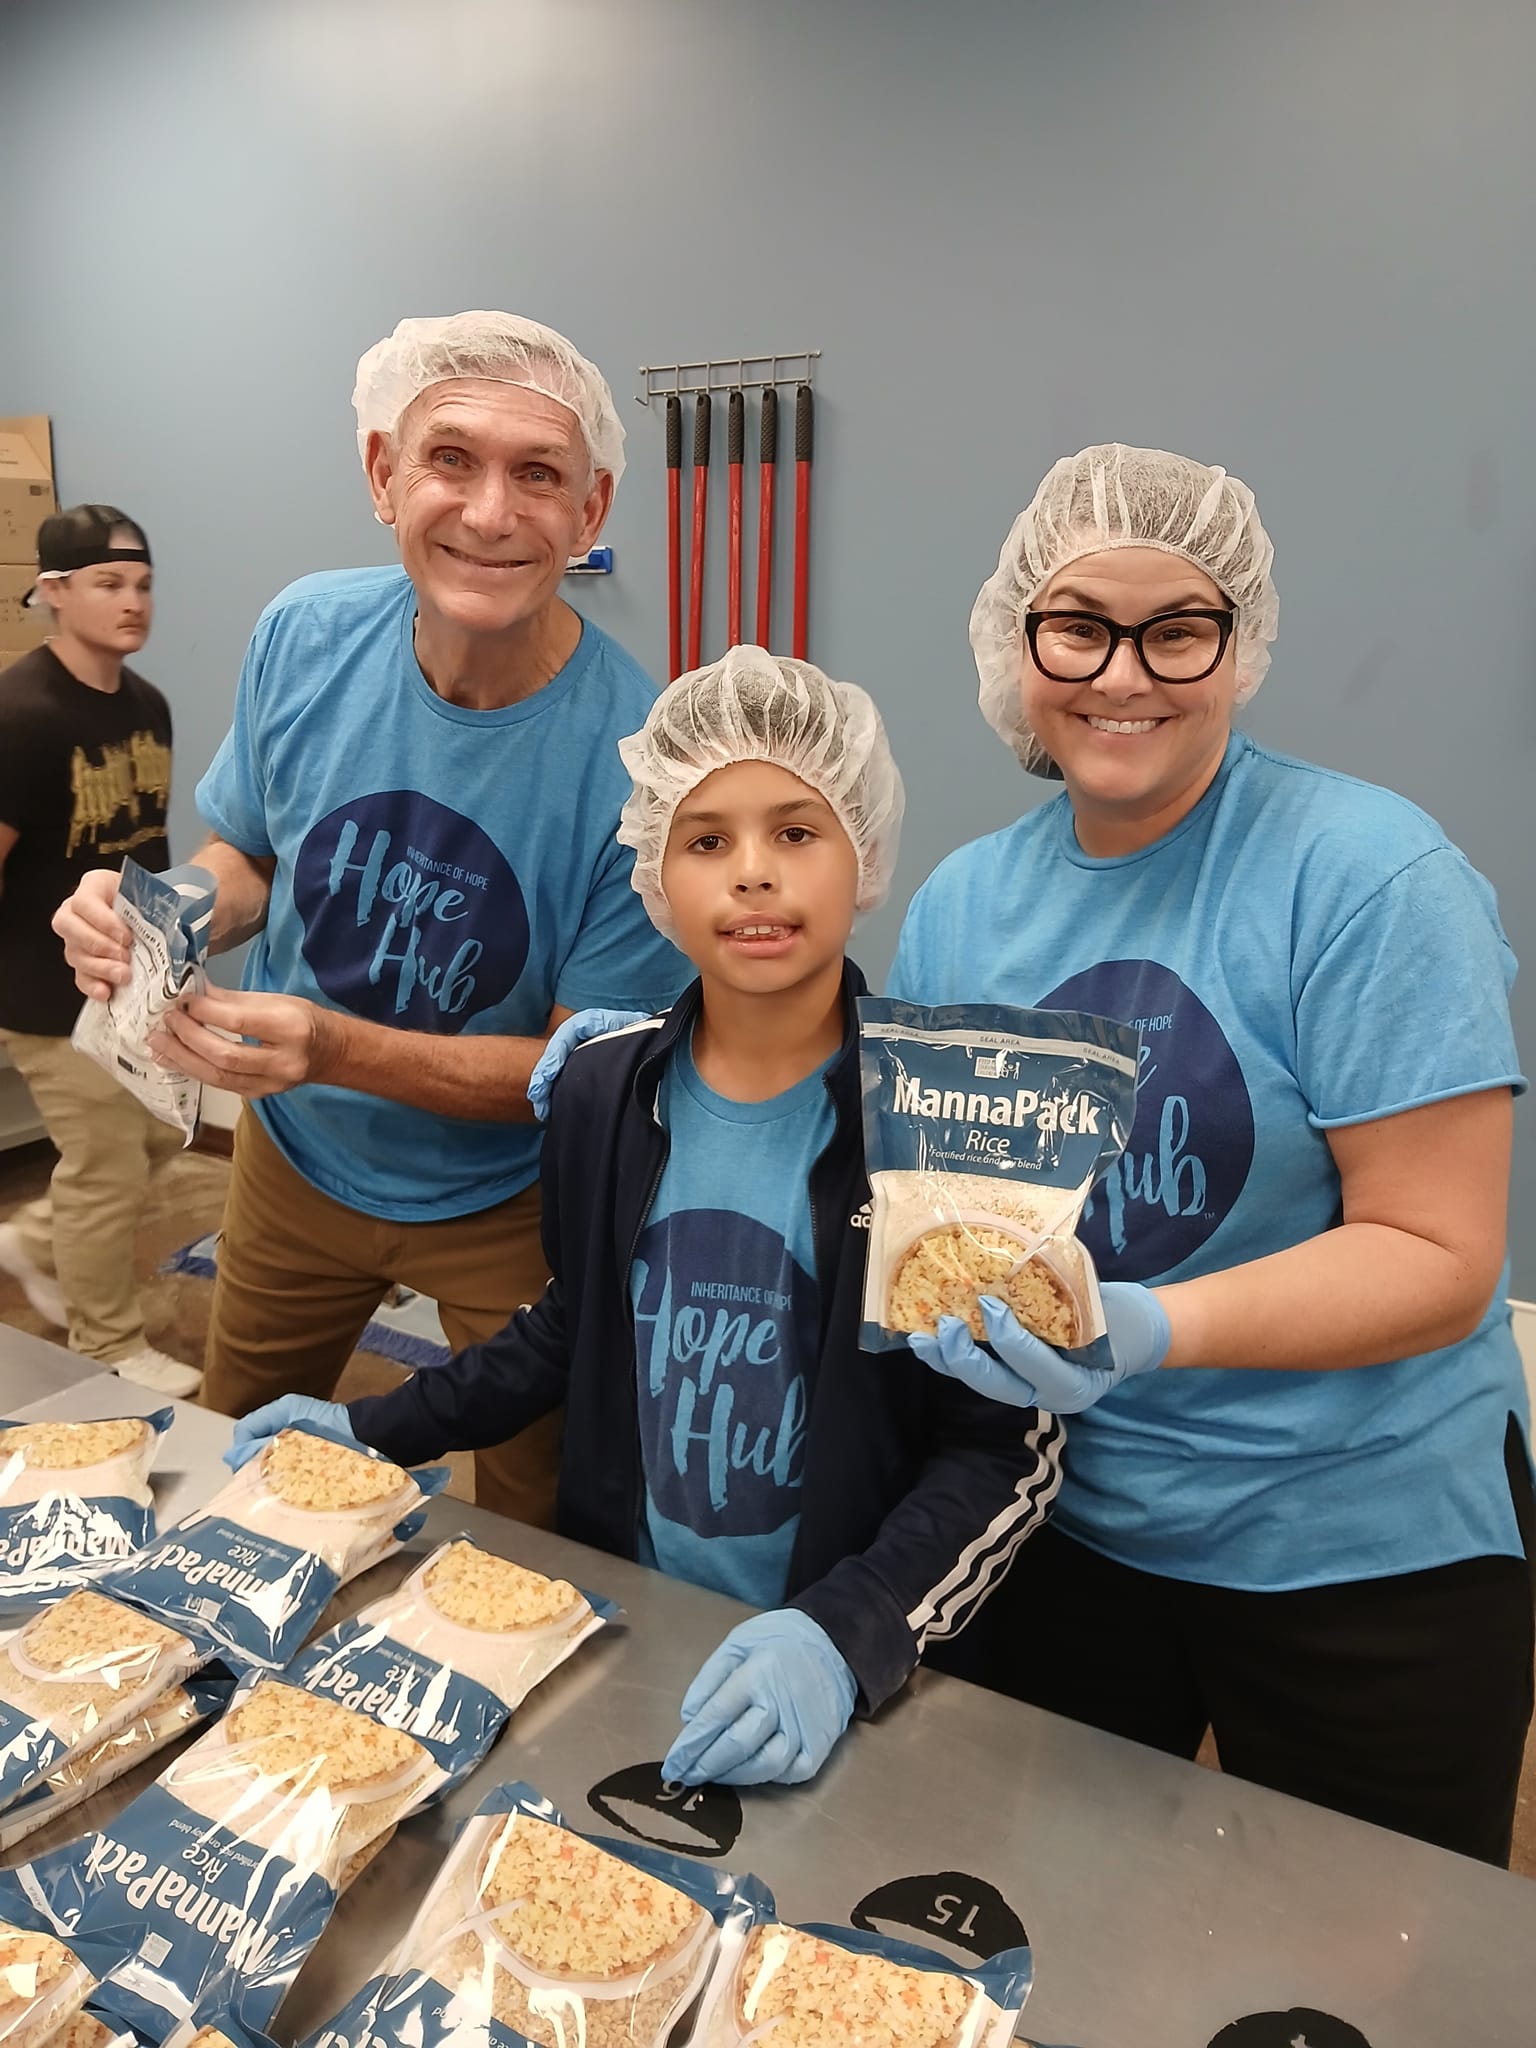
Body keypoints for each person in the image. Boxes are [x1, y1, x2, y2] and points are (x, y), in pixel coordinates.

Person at [224, 650, 1063, 1786]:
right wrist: (377, 1430)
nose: (752, 873)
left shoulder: (949, 1123)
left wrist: (850, 1632)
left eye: (796, 832)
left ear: (863, 850)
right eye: (707, 840)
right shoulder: (604, 1089)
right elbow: (574, 1324)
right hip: (627, 1628)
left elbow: (1003, 1445)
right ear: (655, 873)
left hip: (855, 1667)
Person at [891, 443, 1531, 1864]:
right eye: (1078, 627)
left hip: (1360, 1543)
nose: (1123, 674)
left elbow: (1438, 1253)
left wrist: (1148, 1326)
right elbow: (954, 1221)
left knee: (1367, 1955)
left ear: (1240, 645)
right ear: (1018, 641)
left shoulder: (1366, 877)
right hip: (1073, 1524)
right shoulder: (963, 906)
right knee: (1062, 1914)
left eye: (1177, 629)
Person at [52, 313, 687, 1522]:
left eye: (537, 473)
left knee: (537, 1519)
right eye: (451, 459)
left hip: (512, 1203)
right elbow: (252, 852)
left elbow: (578, 1068)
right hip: (294, 1165)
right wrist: (165, 911)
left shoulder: (643, 764)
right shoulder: (305, 635)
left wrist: (332, 1045)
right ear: (384, 472)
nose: (490, 513)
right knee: (233, 1454)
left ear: (590, 510)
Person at [0, 505, 199, 1396]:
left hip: (129, 982)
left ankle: (33, 1240)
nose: (133, 602)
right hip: (43, 990)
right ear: (54, 591)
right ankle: (106, 1345)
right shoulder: (20, 714)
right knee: (107, 1165)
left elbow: (145, 852)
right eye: (109, 583)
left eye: (144, 585)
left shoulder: (148, 706)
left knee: (156, 1136)